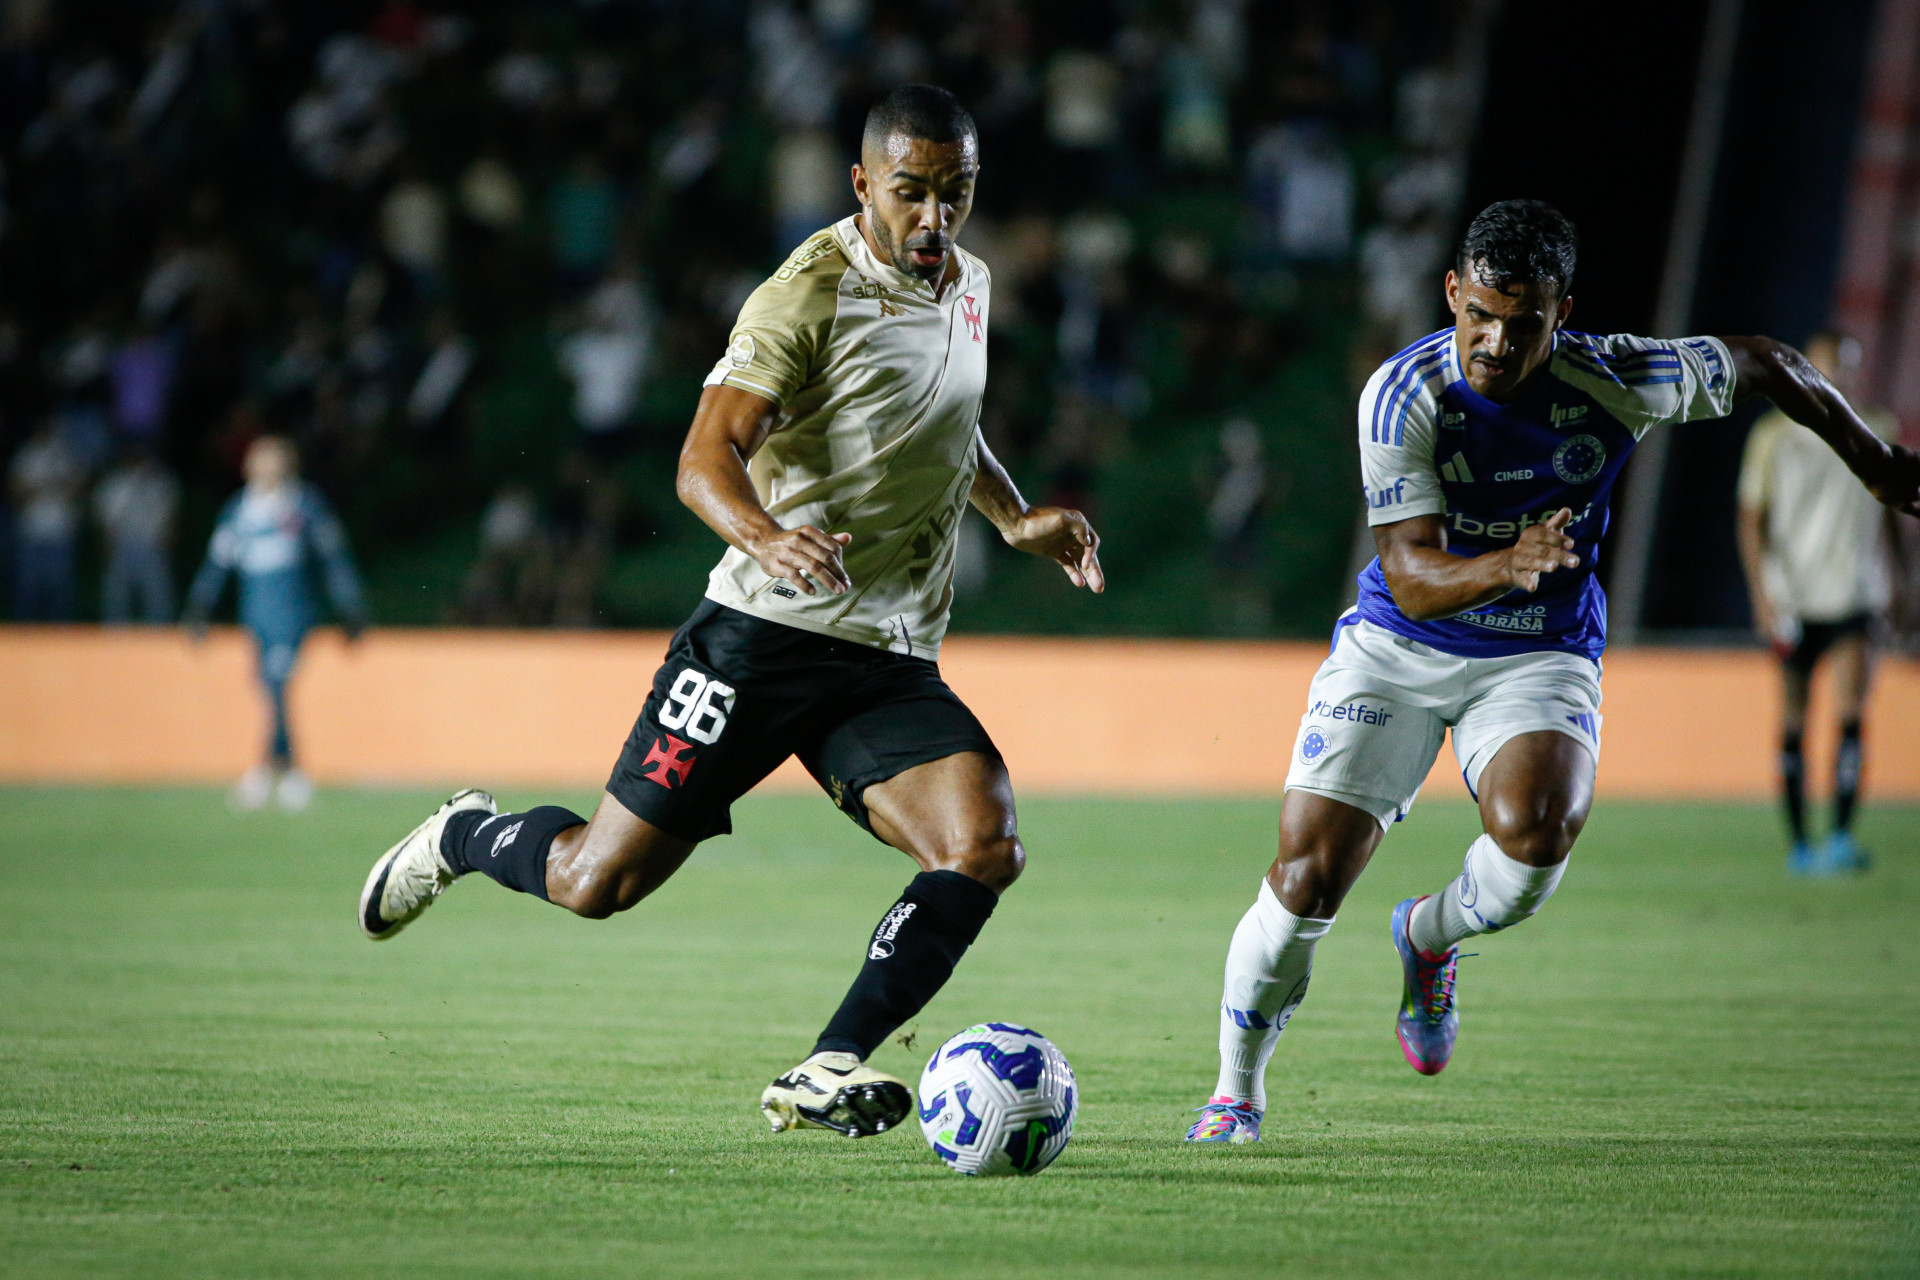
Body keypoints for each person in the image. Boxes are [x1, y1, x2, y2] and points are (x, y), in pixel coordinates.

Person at [357, 86, 1105, 1139]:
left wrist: (1016, 516)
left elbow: (947, 421)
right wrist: (765, 535)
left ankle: (828, 1063)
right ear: (862, 184)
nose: (935, 217)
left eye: (957, 192)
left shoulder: (968, 282)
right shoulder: (804, 296)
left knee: (983, 842)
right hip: (758, 639)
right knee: (595, 881)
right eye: (912, 192)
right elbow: (703, 457)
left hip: (885, 656)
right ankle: (466, 834)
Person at [1185, 200, 1920, 1145]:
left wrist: (1874, 460)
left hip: (1537, 649)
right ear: (1452, 292)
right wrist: (1507, 560)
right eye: (1479, 314)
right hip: (1398, 649)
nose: (1494, 342)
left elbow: (1770, 362)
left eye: (1522, 322)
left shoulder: (1617, 376)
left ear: (1560, 313)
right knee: (1306, 879)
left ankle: (1427, 936)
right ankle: (1235, 1094)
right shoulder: (1402, 393)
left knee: (1537, 840)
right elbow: (1409, 579)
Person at [1736, 332, 1901, 875]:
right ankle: (1800, 843)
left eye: (1848, 366)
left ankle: (1841, 838)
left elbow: (1892, 506)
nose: (1840, 377)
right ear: (1808, 368)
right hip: (1794, 596)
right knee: (1794, 717)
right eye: (1831, 365)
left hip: (1856, 591)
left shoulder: (1877, 428)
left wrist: (1901, 578)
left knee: (1852, 713)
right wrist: (1761, 594)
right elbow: (1750, 518)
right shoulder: (1774, 436)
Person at [183, 435, 367, 812]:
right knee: (268, 686)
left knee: (277, 683)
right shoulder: (239, 512)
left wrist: (351, 606)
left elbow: (333, 557)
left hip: (293, 615)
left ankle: (281, 770)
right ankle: (277, 769)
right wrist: (199, 608)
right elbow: (218, 563)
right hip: (256, 618)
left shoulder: (304, 506)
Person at [9, 421, 86, 621]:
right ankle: (24, 633)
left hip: (60, 529)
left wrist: (61, 486)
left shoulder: (66, 454)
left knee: (61, 589)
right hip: (32, 528)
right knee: (28, 588)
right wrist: (41, 487)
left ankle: (61, 633)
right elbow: (15, 491)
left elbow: (81, 486)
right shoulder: (27, 454)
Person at [95, 446, 180, 624]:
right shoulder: (116, 482)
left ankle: (160, 635)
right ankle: (114, 635)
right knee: (117, 599)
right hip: (122, 545)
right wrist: (108, 543)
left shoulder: (162, 482)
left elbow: (170, 516)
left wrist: (168, 540)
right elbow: (106, 518)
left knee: (157, 599)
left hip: (152, 545)